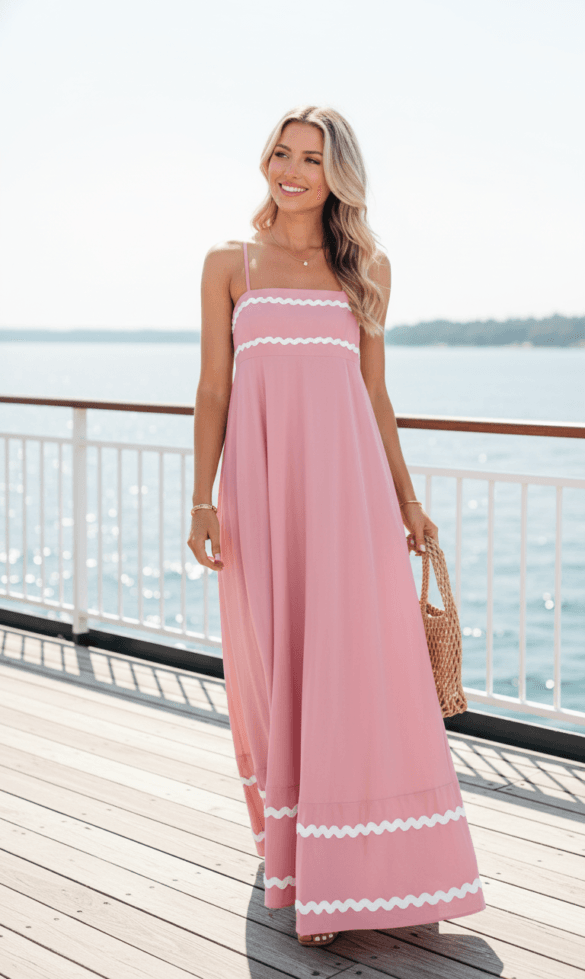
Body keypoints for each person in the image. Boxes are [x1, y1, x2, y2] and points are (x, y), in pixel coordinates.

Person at [188, 105, 486, 946]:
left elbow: (374, 395)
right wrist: (201, 498)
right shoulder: (227, 264)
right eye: (281, 153)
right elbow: (214, 389)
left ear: (336, 174)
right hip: (259, 491)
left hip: (348, 496)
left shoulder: (368, 271)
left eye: (310, 158)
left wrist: (406, 499)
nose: (290, 169)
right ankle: (296, 860)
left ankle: (354, 875)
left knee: (358, 671)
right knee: (274, 666)